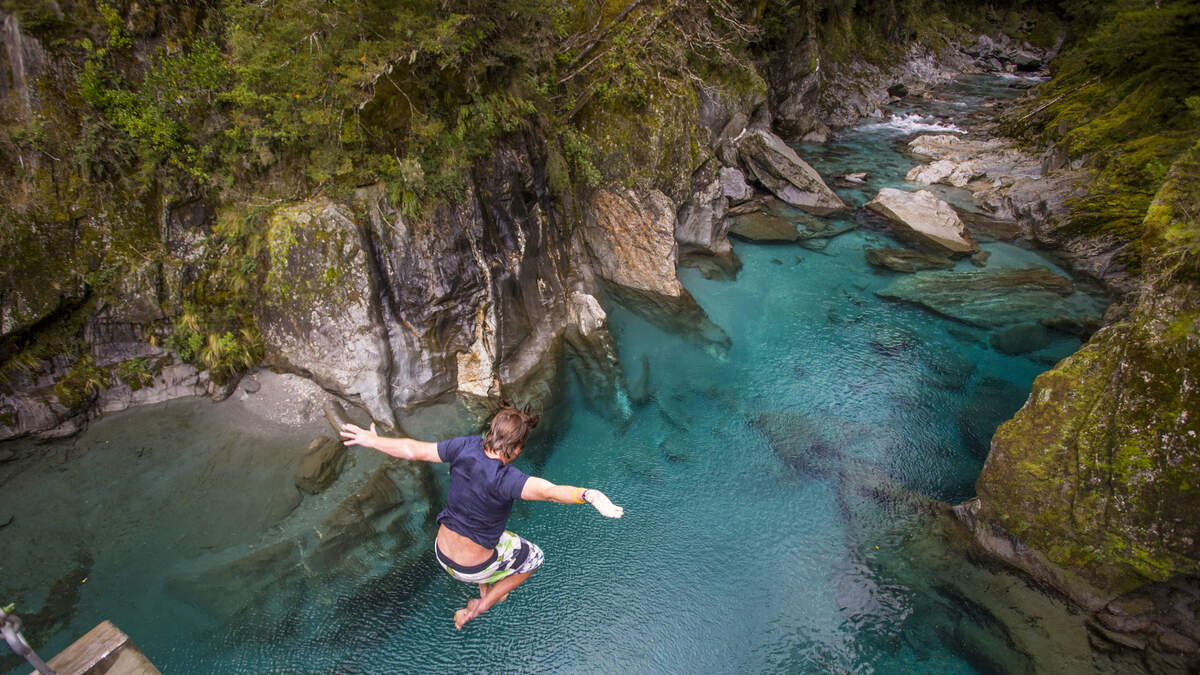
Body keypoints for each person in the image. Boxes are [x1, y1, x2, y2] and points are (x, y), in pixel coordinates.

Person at [339, 407, 623, 629]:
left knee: (497, 535)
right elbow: (550, 492)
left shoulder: (465, 446)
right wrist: (589, 494)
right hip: (469, 568)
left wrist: (372, 440)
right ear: (518, 449)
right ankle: (482, 604)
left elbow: (414, 450)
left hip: (441, 552)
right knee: (534, 557)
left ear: (491, 431)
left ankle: (486, 586)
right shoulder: (507, 479)